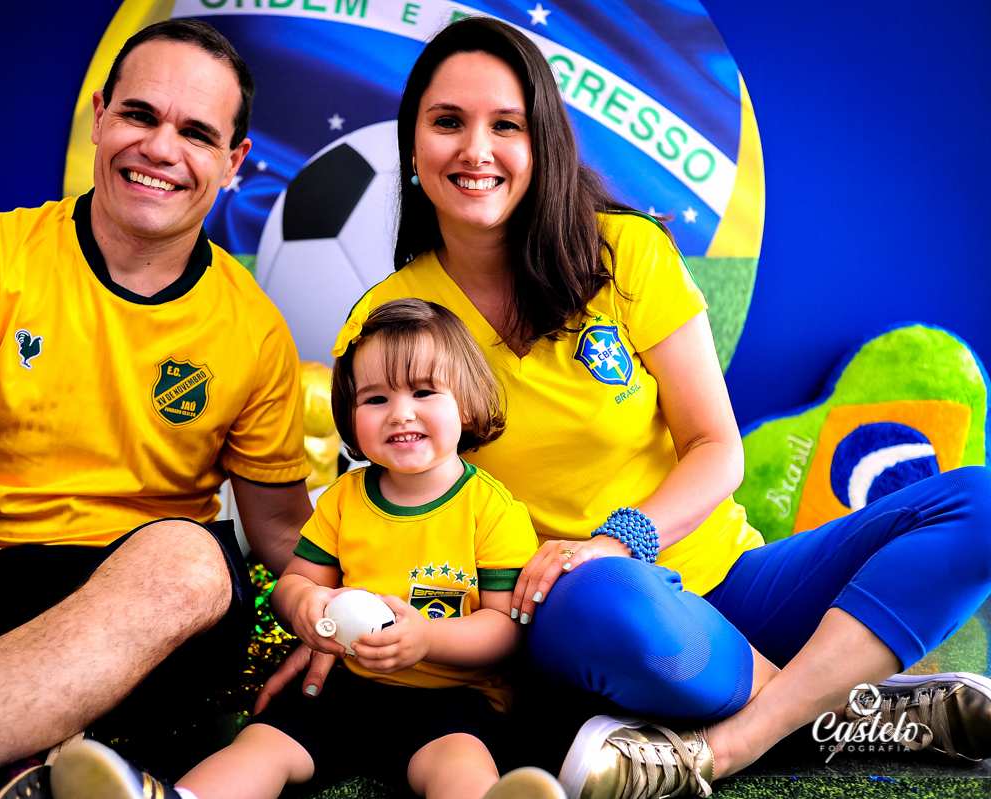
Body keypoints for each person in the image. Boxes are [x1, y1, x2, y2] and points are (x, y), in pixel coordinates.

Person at [258, 16, 991, 799]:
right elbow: (385, 505)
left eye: (505, 125)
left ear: (543, 143)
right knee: (607, 596)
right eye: (448, 122)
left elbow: (717, 447)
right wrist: (338, 617)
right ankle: (842, 704)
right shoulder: (387, 320)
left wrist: (617, 538)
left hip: (730, 583)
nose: (476, 149)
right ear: (412, 147)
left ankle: (739, 739)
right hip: (574, 617)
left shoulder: (626, 253)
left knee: (977, 502)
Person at [0, 19, 315, 799]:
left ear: (233, 162)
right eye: (140, 114)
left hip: (125, 622)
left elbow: (280, 531)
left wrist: (338, 613)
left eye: (196, 133)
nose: (161, 148)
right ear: (100, 116)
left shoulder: (256, 329)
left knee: (194, 561)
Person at [43, 299, 564, 799]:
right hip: (344, 687)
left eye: (424, 392)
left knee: (459, 765)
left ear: (467, 403)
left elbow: (505, 632)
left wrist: (426, 638)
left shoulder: (491, 509)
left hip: (452, 701)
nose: (399, 414)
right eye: (376, 399)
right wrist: (305, 606)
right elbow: (292, 584)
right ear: (350, 415)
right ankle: (180, 797)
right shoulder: (344, 498)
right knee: (260, 747)